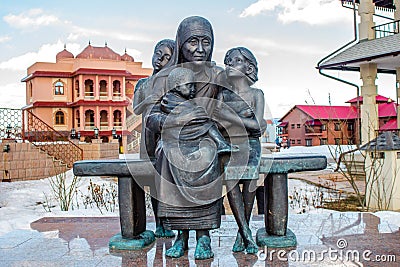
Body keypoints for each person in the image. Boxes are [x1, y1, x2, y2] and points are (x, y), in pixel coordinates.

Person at [146, 16, 225, 260]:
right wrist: (173, 121)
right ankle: (181, 235)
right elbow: (151, 117)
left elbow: (225, 112)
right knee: (166, 155)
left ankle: (203, 236)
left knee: (208, 154)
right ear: (181, 44)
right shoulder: (167, 77)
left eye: (206, 42)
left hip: (204, 138)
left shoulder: (218, 76)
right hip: (174, 139)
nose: (200, 49)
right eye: (193, 42)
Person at [214, 47, 267, 254]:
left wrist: (229, 117)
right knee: (232, 181)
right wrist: (239, 120)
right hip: (228, 143)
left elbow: (256, 126)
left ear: (249, 66)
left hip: (251, 143)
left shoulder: (256, 94)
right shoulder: (223, 95)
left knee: (250, 180)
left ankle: (241, 234)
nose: (230, 64)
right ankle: (246, 233)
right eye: (227, 60)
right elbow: (216, 123)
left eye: (236, 60)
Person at [133, 39, 175, 238]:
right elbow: (136, 108)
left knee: (164, 179)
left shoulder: (173, 83)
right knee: (150, 180)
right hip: (147, 138)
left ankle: (168, 221)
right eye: (158, 53)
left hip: (166, 136)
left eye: (167, 56)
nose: (160, 59)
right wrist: (152, 97)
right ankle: (159, 223)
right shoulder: (143, 83)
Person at [160, 67, 238, 154]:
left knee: (207, 124)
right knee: (208, 125)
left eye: (194, 86)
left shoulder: (178, 99)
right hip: (180, 132)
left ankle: (221, 144)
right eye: (190, 86)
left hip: (188, 129)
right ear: (177, 87)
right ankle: (221, 144)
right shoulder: (171, 99)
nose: (193, 89)